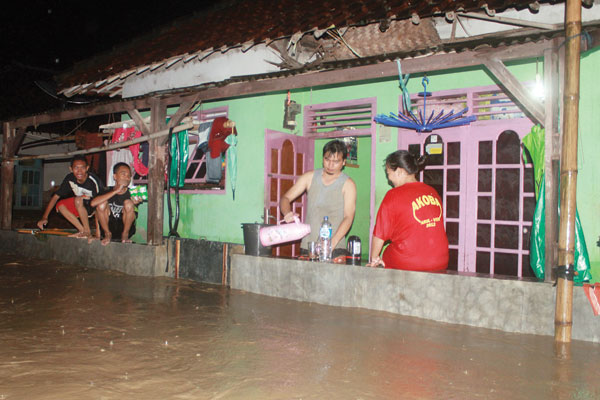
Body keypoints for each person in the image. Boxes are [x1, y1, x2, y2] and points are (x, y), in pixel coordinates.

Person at [367, 150, 449, 271]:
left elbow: (379, 235)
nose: (389, 179)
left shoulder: (393, 195)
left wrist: (374, 259)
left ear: (399, 171)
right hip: (441, 261)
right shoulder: (432, 192)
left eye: (388, 173)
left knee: (387, 254)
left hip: (410, 264)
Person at [280, 139, 357, 258]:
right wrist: (287, 212)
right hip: (308, 246)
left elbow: (348, 217)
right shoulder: (309, 177)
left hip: (335, 248)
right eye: (327, 159)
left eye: (336, 161)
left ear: (343, 162)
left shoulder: (348, 184)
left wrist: (332, 243)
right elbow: (285, 198)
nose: (330, 165)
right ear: (323, 159)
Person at [37, 155, 104, 239]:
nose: (79, 171)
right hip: (80, 207)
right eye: (76, 168)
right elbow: (55, 197)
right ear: (71, 169)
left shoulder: (93, 181)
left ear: (87, 168)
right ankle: (82, 231)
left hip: (94, 208)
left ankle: (87, 232)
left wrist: (98, 233)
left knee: (78, 200)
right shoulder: (70, 179)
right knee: (60, 205)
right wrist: (44, 217)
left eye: (82, 168)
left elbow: (101, 203)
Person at [91, 162, 141, 245]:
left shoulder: (132, 193)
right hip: (108, 228)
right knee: (101, 203)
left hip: (125, 228)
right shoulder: (106, 190)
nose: (126, 178)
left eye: (129, 176)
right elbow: (93, 204)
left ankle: (125, 235)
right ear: (115, 176)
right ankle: (107, 234)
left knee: (128, 203)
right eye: (123, 174)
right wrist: (116, 191)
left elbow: (134, 214)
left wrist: (135, 203)